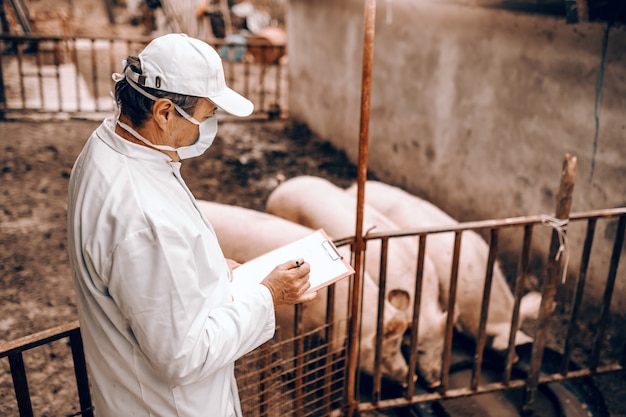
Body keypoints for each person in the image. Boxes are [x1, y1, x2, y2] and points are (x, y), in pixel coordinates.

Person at [67, 33, 316, 417]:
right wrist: (270, 295)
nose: (208, 126)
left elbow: (154, 283)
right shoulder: (143, 218)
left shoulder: (110, 148)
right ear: (164, 112)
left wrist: (213, 273)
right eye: (207, 114)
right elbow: (184, 355)